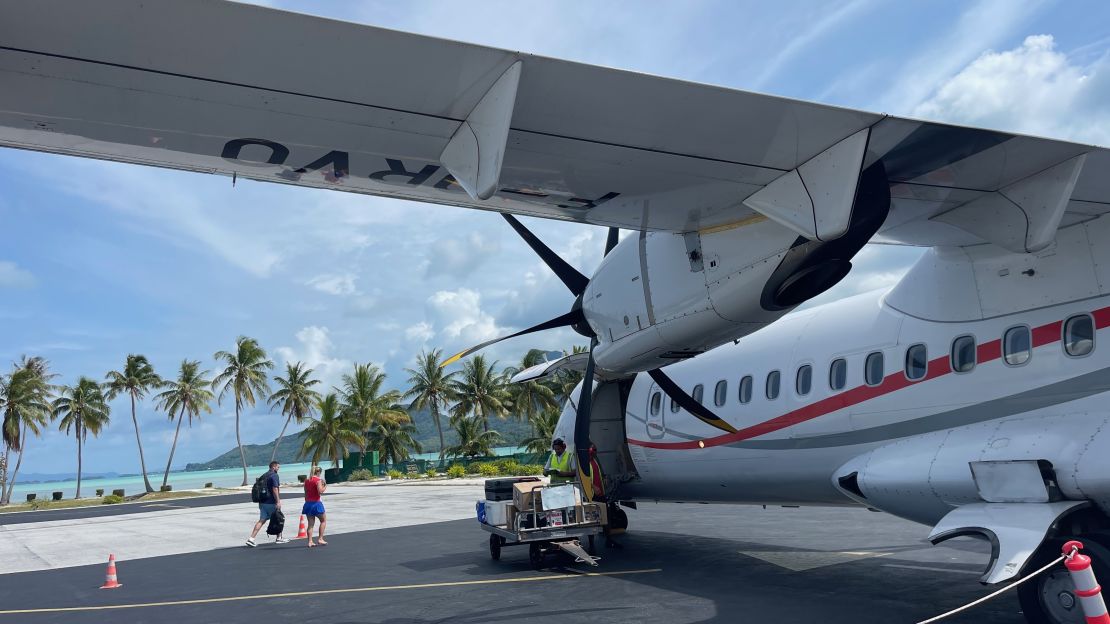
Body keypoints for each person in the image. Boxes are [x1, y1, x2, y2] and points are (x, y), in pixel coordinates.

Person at [246, 461, 286, 547]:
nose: (278, 469)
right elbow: (275, 489)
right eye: (278, 467)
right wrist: (278, 501)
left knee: (262, 520)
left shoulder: (264, 475)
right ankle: (279, 538)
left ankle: (251, 539)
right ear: (274, 467)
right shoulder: (274, 475)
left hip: (262, 502)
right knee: (278, 518)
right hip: (271, 502)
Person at [303, 465, 328, 547]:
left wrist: (307, 501)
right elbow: (320, 491)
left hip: (308, 504)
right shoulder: (318, 480)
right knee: (323, 521)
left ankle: (310, 541)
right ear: (318, 472)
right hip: (316, 503)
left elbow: (306, 493)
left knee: (310, 524)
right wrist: (325, 486)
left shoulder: (307, 481)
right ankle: (320, 539)